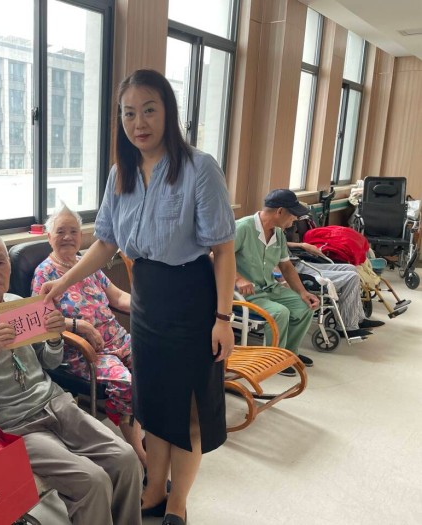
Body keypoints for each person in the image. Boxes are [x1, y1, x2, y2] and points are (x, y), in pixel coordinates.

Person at [39, 69, 236, 525]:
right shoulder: (120, 175)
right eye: (129, 114)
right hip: (147, 304)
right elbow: (105, 243)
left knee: (188, 410)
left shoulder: (199, 168)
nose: (138, 122)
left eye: (149, 110)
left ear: (168, 111)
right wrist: (62, 283)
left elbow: (224, 250)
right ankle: (153, 489)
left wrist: (223, 318)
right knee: (155, 405)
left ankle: (178, 502)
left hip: (192, 299)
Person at [0, 233, 143, 525]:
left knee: (126, 459)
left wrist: (54, 339)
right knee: (93, 480)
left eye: (1, 263)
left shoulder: (19, 304)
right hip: (13, 424)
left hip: (54, 403)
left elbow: (48, 363)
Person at [31, 202, 145, 466]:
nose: (68, 237)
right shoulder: (44, 273)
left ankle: (149, 431)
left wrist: (148, 306)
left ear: (81, 236)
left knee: (155, 364)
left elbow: (117, 297)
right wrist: (78, 326)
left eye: (73, 231)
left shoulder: (86, 264)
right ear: (49, 237)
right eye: (60, 231)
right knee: (127, 383)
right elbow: (41, 321)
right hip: (82, 353)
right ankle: (140, 454)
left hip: (117, 339)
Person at [234, 189, 319, 376]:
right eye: (293, 214)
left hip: (270, 288)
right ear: (280, 211)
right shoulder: (242, 228)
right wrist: (239, 279)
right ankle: (274, 359)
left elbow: (286, 267)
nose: (295, 219)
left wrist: (303, 292)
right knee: (280, 312)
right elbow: (216, 257)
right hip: (245, 293)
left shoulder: (279, 233)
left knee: (305, 306)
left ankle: (288, 353)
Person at [286, 242, 384, 337]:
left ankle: (358, 319)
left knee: (351, 268)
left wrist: (302, 245)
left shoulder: (279, 234)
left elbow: (282, 243)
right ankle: (348, 327)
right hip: (293, 271)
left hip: (298, 264)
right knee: (352, 277)